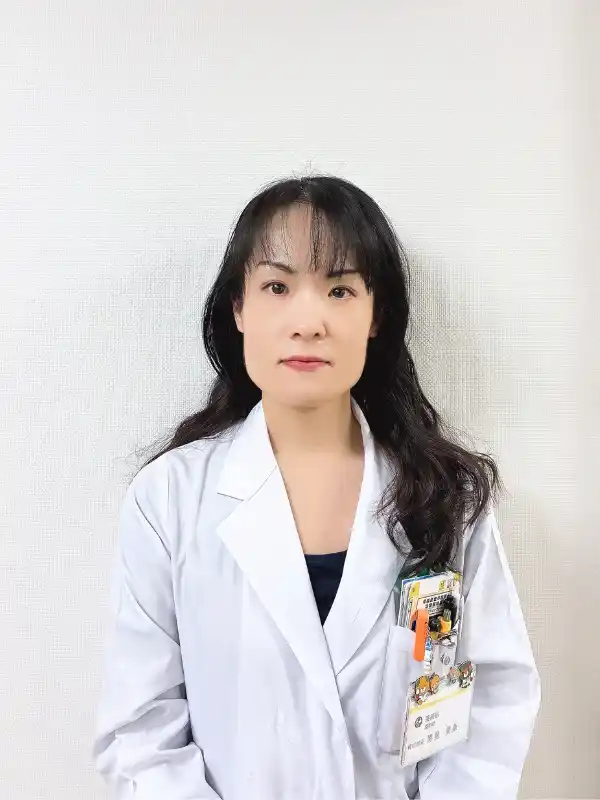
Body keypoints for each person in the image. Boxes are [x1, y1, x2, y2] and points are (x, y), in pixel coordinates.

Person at [92, 176, 541, 799]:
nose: (308, 322)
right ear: (238, 309)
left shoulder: (447, 498)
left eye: (339, 289)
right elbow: (142, 731)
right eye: (277, 287)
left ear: (376, 315)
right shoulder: (168, 499)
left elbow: (488, 708)